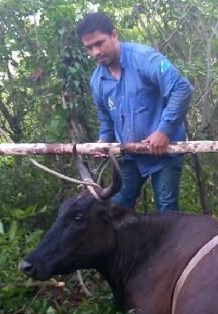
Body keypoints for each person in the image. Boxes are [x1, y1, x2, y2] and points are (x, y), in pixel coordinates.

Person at [77, 12, 193, 213]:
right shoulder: (97, 81)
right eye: (89, 48)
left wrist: (163, 131)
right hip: (129, 156)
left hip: (164, 153)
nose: (95, 52)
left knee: (167, 212)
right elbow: (106, 119)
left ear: (114, 35)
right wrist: (103, 142)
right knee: (115, 211)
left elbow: (182, 89)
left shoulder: (144, 59)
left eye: (99, 43)